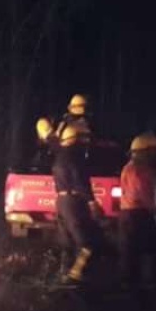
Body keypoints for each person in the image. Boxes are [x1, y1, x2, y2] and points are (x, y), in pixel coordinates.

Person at [36, 117, 103, 284]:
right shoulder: (76, 158)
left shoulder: (59, 158)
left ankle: (63, 274)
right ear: (75, 140)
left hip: (61, 202)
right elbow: (80, 180)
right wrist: (92, 201)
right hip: (74, 203)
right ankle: (75, 275)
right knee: (86, 244)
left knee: (66, 241)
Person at [119, 133, 156, 289]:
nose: (154, 155)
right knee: (149, 248)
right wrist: (155, 212)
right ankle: (144, 283)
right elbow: (143, 193)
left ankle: (130, 282)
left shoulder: (129, 167)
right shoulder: (139, 170)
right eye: (152, 151)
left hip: (128, 213)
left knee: (130, 250)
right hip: (138, 214)